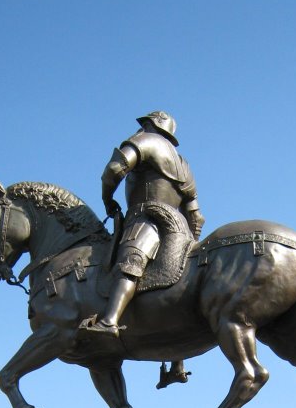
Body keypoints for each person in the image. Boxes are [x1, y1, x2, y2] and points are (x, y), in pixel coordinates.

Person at [80, 111, 206, 388]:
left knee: (131, 260)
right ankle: (177, 363)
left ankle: (109, 321)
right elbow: (196, 216)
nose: (141, 128)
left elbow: (114, 170)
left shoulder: (145, 141)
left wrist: (107, 198)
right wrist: (190, 240)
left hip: (147, 216)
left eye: (144, 125)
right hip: (181, 228)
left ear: (151, 125)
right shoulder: (184, 166)